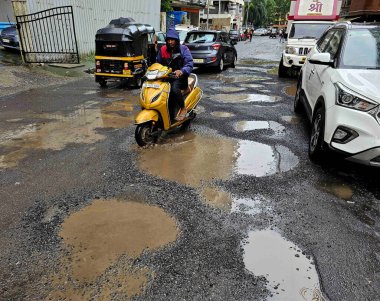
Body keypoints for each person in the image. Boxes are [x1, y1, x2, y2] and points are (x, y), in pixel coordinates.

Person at [156, 27, 194, 121]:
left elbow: (190, 63)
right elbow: (157, 63)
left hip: (180, 78)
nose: (170, 42)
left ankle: (183, 108)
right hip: (166, 77)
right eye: (168, 40)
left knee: (174, 89)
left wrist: (181, 71)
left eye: (172, 39)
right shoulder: (163, 49)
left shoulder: (183, 49)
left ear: (176, 40)